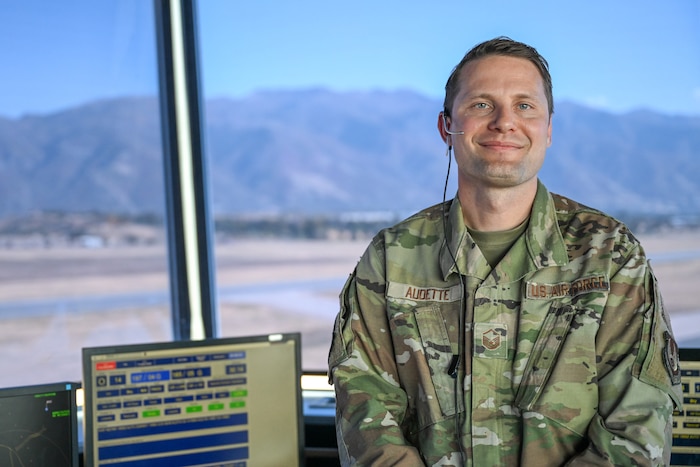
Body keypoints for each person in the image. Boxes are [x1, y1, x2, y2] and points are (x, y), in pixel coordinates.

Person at [328, 36, 683, 466]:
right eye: (481, 104)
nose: (504, 122)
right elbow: (365, 418)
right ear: (446, 127)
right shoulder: (390, 260)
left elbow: (637, 429)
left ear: (548, 129)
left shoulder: (610, 257)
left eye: (525, 106)